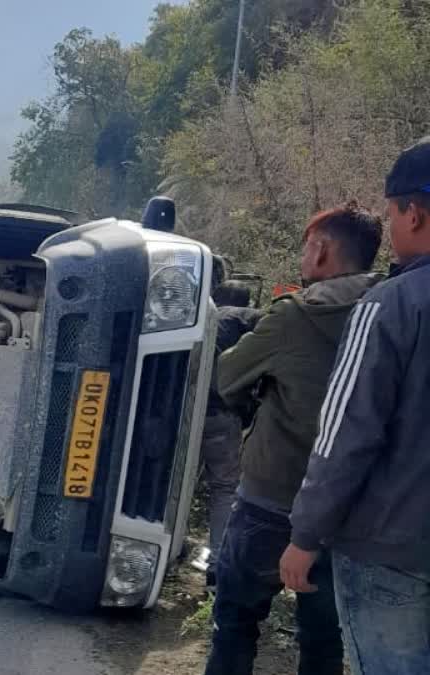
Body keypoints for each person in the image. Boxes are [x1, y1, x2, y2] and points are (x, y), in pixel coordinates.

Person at [205, 203, 384, 675]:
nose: (303, 258)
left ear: (321, 251)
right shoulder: (390, 313)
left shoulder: (295, 317)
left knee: (235, 623)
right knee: (324, 641)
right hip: (347, 510)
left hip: (270, 500)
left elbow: (228, 375)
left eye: (307, 248)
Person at [281, 138, 430, 674]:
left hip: (388, 551)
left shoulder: (389, 305)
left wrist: (305, 535)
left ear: (413, 214)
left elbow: (346, 433)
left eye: (391, 213)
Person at [193, 278, 263, 589]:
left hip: (180, 414)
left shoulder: (198, 315)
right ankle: (216, 571)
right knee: (223, 488)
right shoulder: (242, 316)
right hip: (219, 415)